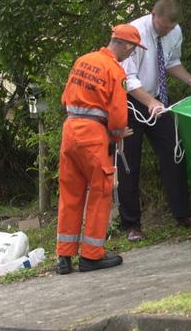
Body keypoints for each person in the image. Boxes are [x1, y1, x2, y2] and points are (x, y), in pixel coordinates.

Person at [56, 24, 146, 274]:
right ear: (127, 46)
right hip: (94, 135)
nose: (133, 54)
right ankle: (91, 256)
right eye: (135, 49)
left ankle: (64, 257)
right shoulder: (114, 70)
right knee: (100, 192)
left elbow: (66, 97)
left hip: (70, 130)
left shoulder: (83, 60)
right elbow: (118, 114)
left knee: (70, 194)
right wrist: (117, 135)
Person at [119, 0, 191, 242]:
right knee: (129, 162)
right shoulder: (135, 32)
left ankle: (183, 214)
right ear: (153, 16)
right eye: (163, 26)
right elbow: (128, 79)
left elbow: (171, 62)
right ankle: (131, 224)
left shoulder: (174, 31)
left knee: (174, 152)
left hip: (157, 100)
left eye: (170, 28)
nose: (166, 31)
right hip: (130, 102)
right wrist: (149, 102)